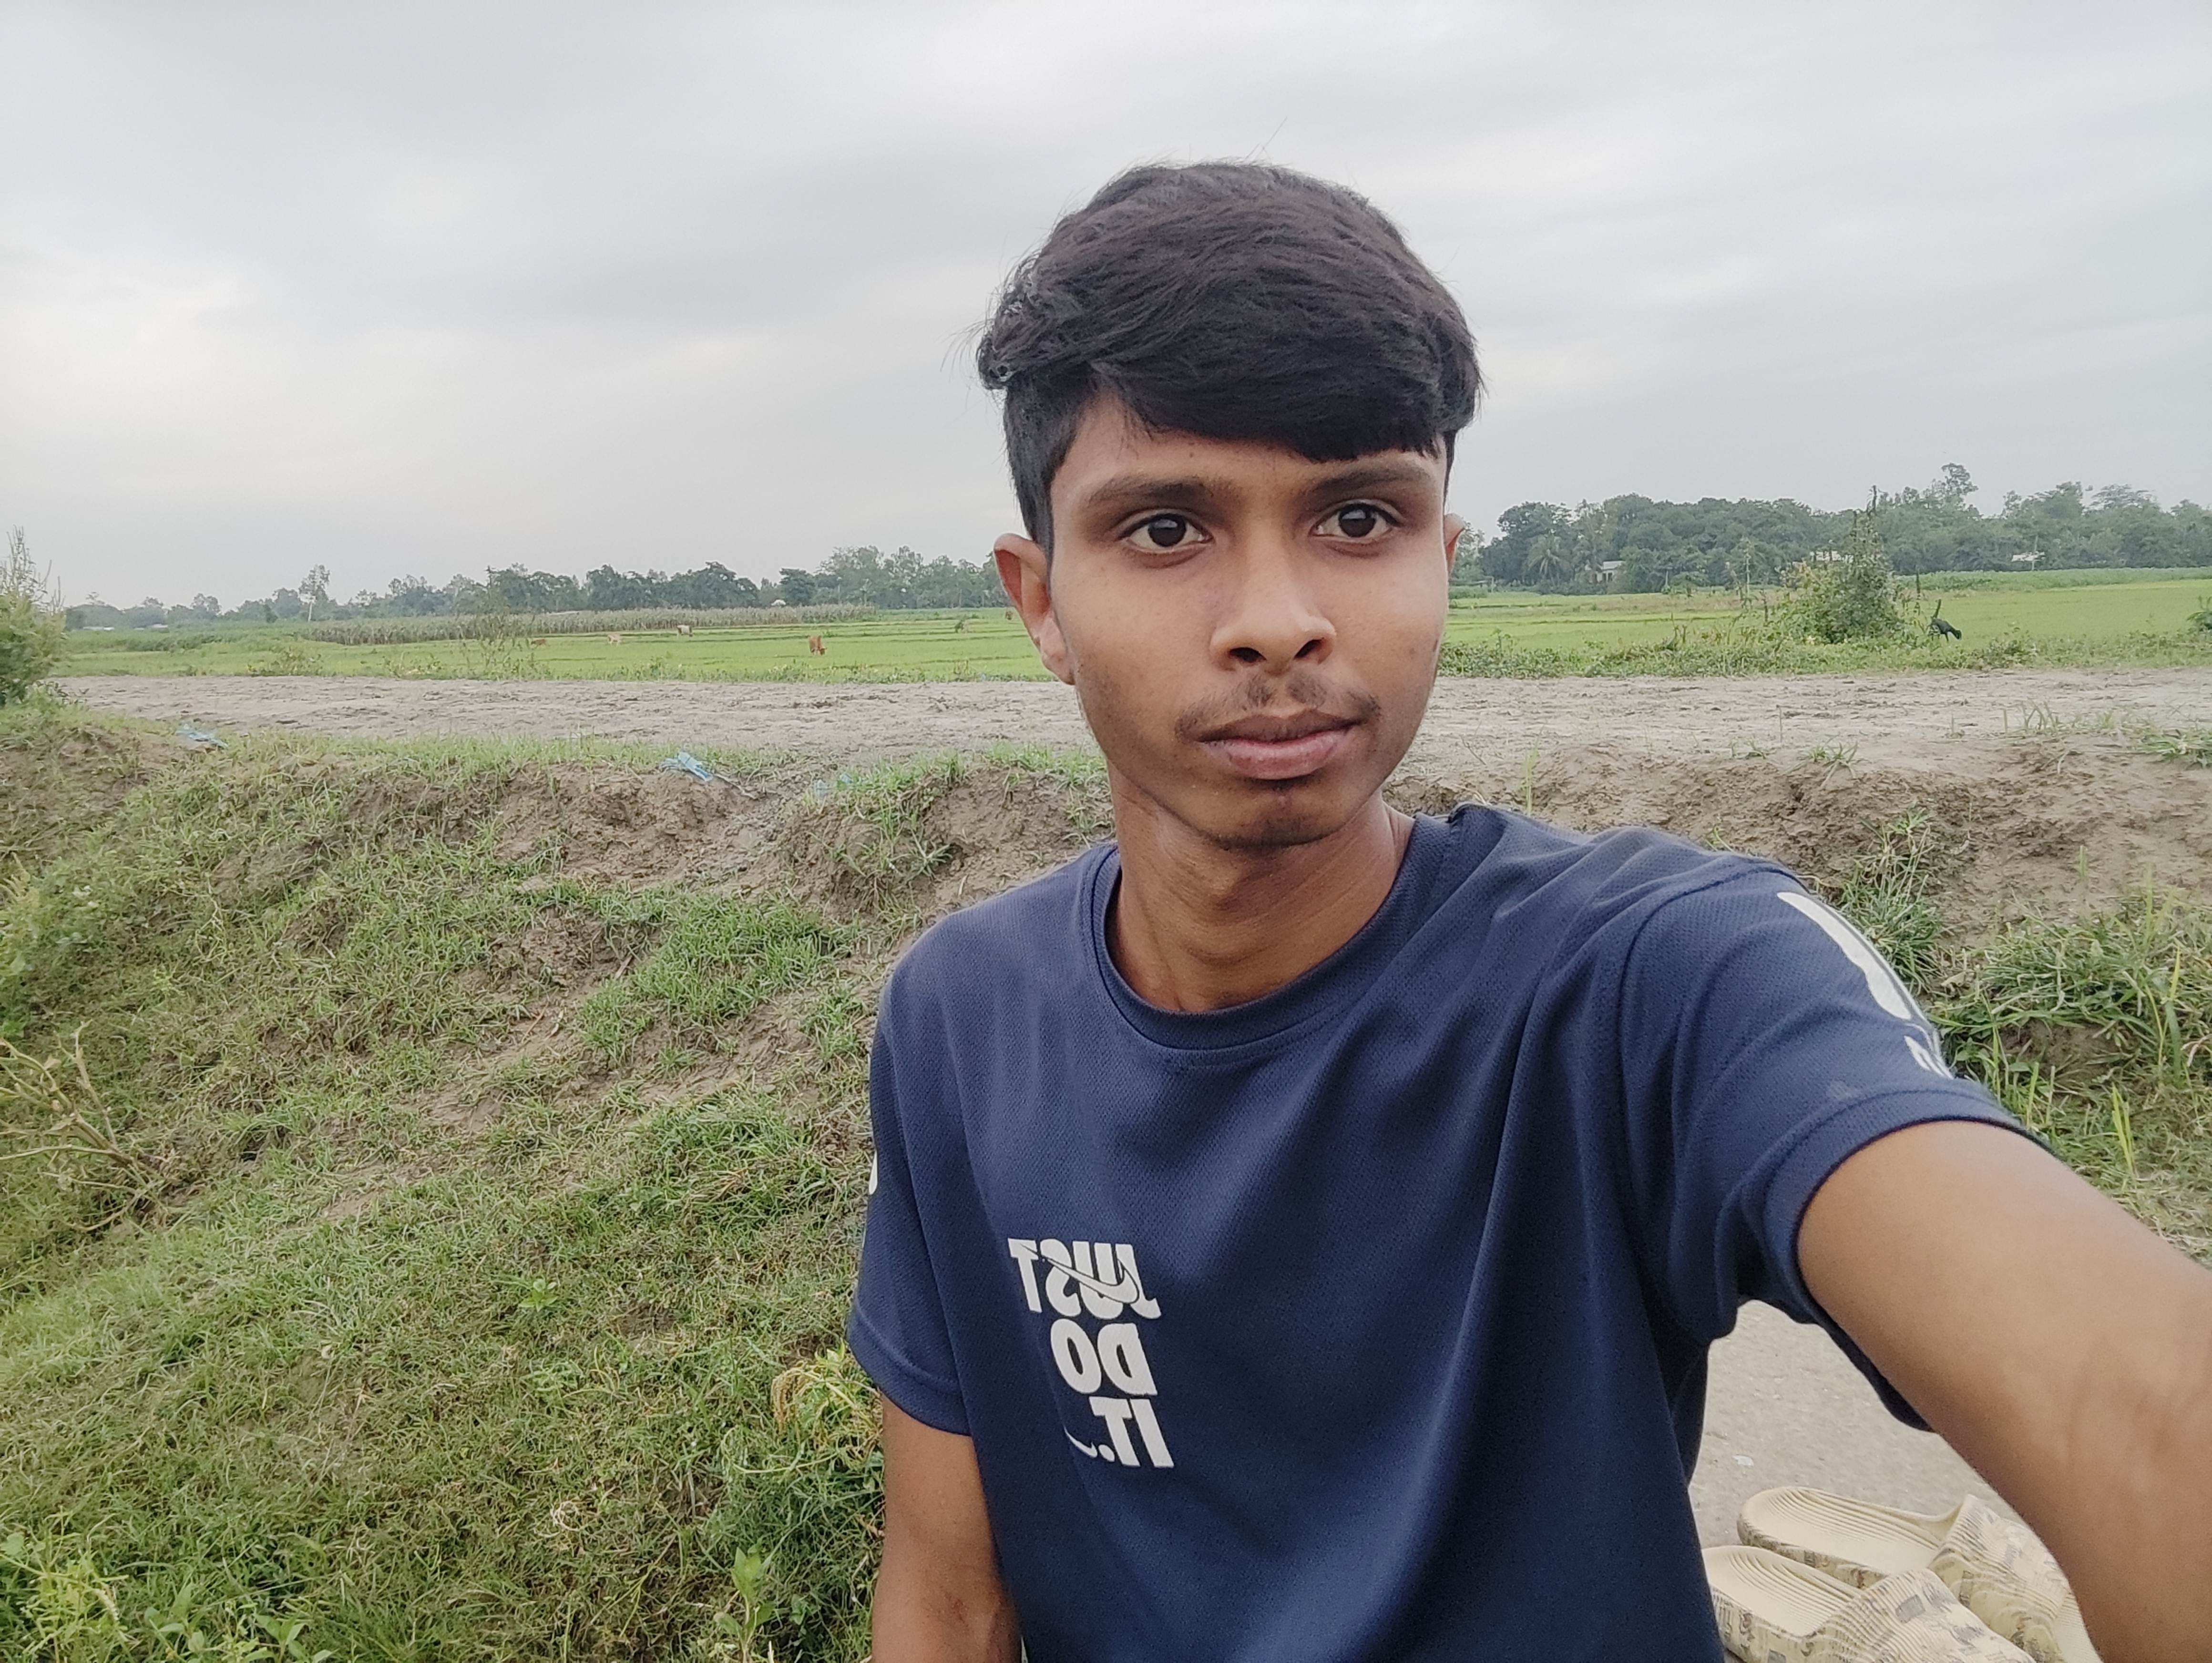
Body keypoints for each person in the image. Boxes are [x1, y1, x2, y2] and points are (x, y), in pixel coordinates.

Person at [845, 162, 2212, 1662]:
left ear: (1443, 559)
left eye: (1357, 516)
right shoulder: (962, 1020)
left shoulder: (1657, 980)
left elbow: (2142, 1413)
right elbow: (952, 1596)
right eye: (1167, 530)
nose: (1276, 621)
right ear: (1040, 600)